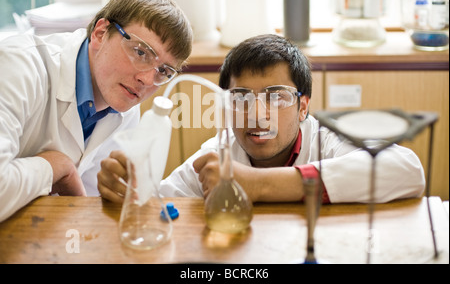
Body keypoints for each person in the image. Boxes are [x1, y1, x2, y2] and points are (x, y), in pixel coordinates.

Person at [98, 34, 425, 204]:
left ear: (303, 107)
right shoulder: (218, 152)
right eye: (241, 98)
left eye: (277, 96)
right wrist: (126, 190)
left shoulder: (327, 139)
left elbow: (407, 170)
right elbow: (160, 205)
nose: (257, 114)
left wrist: (259, 185)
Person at [0, 0, 193, 222]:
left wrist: (110, 195)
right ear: (101, 33)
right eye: (141, 52)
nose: (147, 80)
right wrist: (56, 167)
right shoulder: (18, 66)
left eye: (163, 71)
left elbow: (83, 205)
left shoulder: (126, 103)